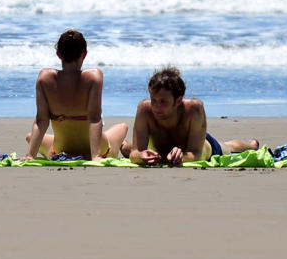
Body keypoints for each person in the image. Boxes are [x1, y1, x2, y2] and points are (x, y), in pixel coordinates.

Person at [22, 29, 128, 161]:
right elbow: (94, 118)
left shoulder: (44, 79)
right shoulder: (93, 77)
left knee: (30, 137)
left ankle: (38, 149)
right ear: (84, 54)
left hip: (60, 152)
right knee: (122, 127)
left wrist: (30, 155)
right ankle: (121, 145)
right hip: (97, 151)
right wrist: (95, 156)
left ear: (58, 54)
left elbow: (41, 121)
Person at [126, 65, 259, 166]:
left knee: (227, 148)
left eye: (163, 102)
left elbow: (197, 154)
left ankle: (251, 145)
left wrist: (182, 157)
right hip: (159, 147)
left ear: (178, 100)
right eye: (153, 100)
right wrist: (140, 155)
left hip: (198, 145)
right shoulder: (144, 109)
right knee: (127, 148)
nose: (156, 107)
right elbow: (134, 153)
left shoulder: (194, 108)